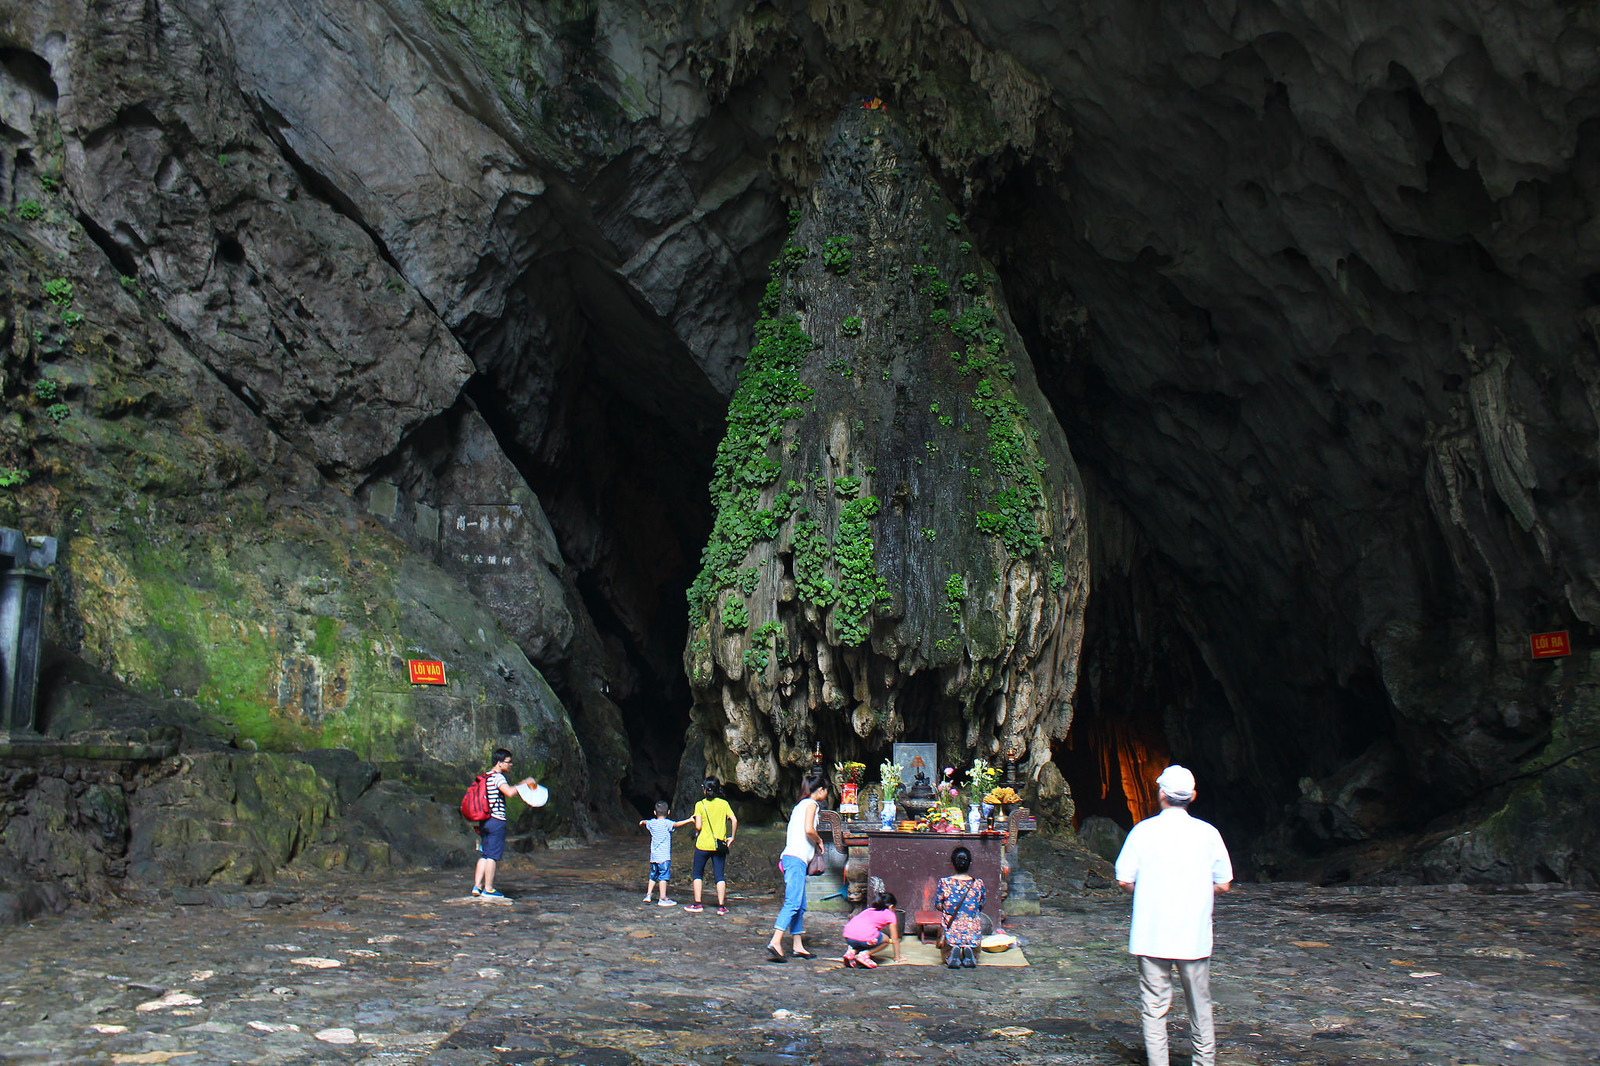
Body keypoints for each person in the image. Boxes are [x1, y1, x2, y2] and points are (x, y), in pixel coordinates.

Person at [1114, 764, 1233, 1066]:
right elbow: (1224, 882)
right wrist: (1198, 892)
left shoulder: (1143, 832)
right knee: (1200, 1005)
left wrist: (1149, 893)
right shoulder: (1208, 833)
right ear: (1192, 796)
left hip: (1152, 935)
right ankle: (1204, 1063)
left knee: (1154, 1008)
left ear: (1161, 794)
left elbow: (1125, 880)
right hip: (1193, 935)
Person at [766, 773, 828, 962]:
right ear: (820, 791)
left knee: (800, 905)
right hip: (796, 860)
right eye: (826, 791)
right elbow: (809, 829)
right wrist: (819, 841)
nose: (826, 794)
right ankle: (776, 941)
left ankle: (798, 946)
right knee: (793, 902)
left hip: (793, 859)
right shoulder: (811, 804)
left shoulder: (798, 806)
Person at [471, 749, 537, 900]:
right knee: (492, 856)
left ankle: (477, 886)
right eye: (508, 762)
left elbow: (510, 788)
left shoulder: (486, 776)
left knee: (485, 853)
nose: (511, 765)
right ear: (499, 763)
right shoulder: (498, 777)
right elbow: (509, 792)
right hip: (496, 820)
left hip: (484, 820)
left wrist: (521, 784)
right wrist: (526, 783)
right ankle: (489, 888)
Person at [687, 777, 738, 914]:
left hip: (703, 845)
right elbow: (734, 819)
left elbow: (698, 826)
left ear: (704, 789)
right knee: (719, 876)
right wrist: (731, 837)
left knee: (698, 874)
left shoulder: (700, 805)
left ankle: (698, 904)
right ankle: (721, 907)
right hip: (719, 846)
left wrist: (696, 826)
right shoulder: (724, 804)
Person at [935, 846, 986, 969]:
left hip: (952, 929)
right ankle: (970, 951)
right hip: (971, 929)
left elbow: (938, 905)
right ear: (970, 863)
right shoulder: (978, 883)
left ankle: (951, 953)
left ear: (952, 863)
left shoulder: (944, 882)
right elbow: (981, 904)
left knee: (947, 924)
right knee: (974, 922)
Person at [639, 801, 693, 906]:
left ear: (655, 812)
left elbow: (646, 822)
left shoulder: (652, 823)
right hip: (664, 857)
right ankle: (662, 898)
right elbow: (677, 824)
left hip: (654, 857)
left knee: (653, 876)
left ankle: (648, 895)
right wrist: (689, 820)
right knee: (663, 877)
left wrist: (642, 822)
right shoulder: (667, 823)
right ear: (668, 812)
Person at [841, 890, 901, 968]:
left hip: (849, 938)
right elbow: (894, 938)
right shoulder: (890, 914)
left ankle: (852, 952)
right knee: (886, 940)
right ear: (891, 906)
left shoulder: (869, 910)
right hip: (865, 939)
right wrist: (897, 958)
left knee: (865, 939)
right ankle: (865, 954)